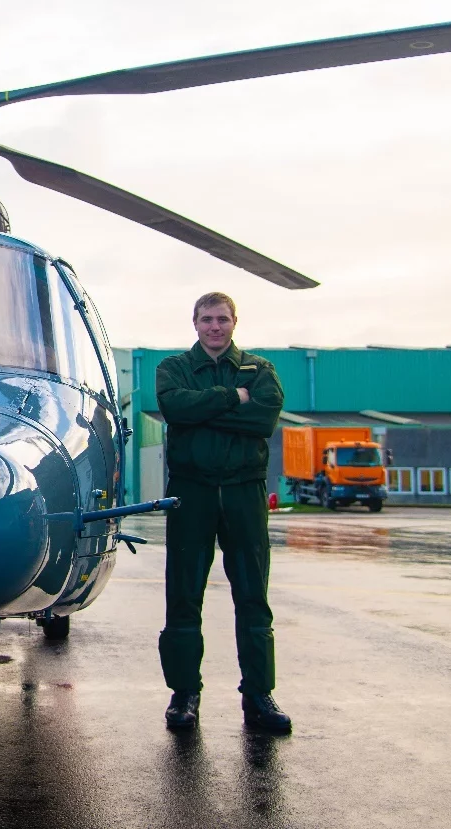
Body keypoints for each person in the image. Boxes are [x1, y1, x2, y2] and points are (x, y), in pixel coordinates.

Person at [155, 292, 291, 733]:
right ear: (194, 323)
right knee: (183, 594)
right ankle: (184, 694)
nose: (215, 327)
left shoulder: (259, 369)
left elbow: (263, 420)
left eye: (222, 319)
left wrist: (203, 410)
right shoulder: (173, 368)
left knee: (253, 596)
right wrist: (234, 398)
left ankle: (258, 694)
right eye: (207, 319)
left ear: (234, 322)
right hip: (191, 491)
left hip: (243, 492)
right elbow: (174, 408)